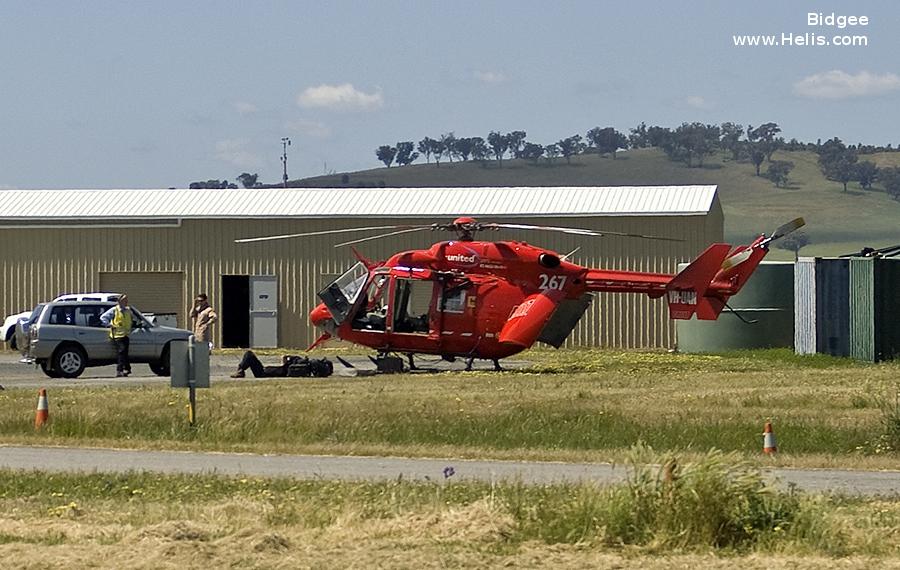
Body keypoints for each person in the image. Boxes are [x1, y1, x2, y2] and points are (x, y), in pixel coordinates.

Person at [230, 350, 333, 378]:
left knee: (249, 354)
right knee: (249, 354)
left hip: (263, 373)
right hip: (265, 371)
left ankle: (240, 370)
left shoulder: (289, 368)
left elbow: (288, 360)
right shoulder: (296, 366)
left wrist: (287, 358)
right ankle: (241, 370)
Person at [100, 294, 133, 377]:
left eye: (127, 300)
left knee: (125, 352)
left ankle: (127, 369)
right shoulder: (115, 310)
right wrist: (109, 325)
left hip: (126, 335)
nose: (126, 302)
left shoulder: (128, 310)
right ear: (119, 301)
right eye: (124, 300)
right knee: (122, 352)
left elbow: (131, 320)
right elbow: (103, 317)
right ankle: (120, 370)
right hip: (117, 335)